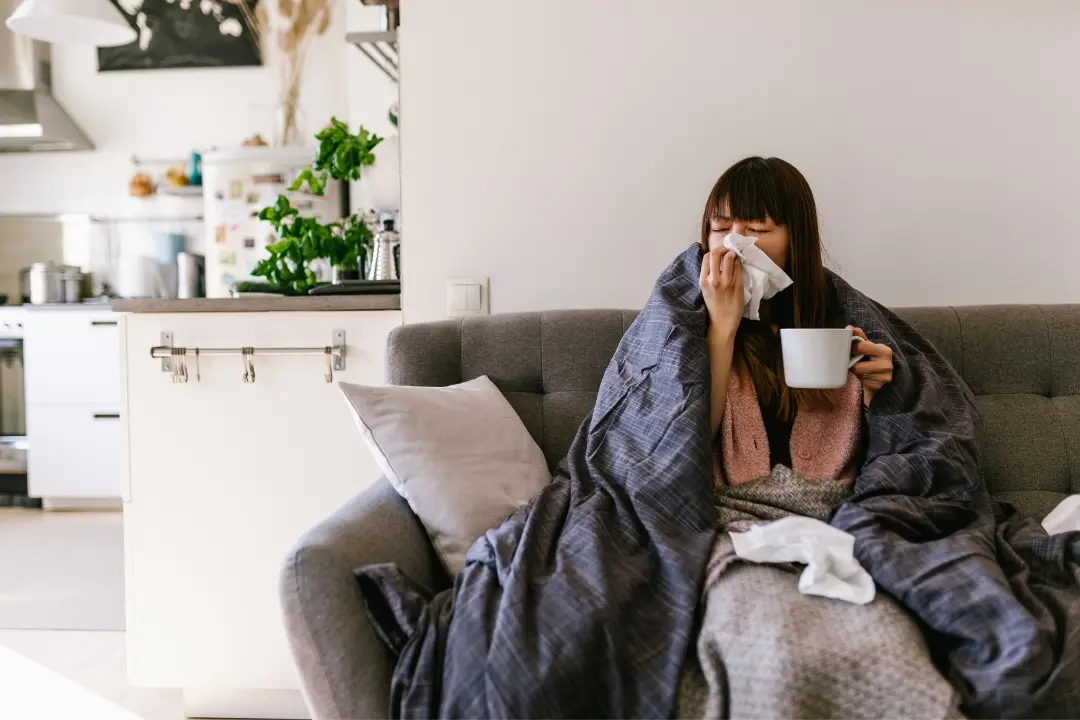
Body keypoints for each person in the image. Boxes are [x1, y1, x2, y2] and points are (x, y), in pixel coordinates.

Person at [698, 156, 894, 477]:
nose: (733, 245)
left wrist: (879, 395)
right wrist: (721, 327)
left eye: (757, 227)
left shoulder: (840, 317)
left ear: (795, 239)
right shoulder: (686, 322)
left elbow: (895, 450)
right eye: (719, 228)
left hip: (834, 510)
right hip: (734, 513)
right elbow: (682, 442)